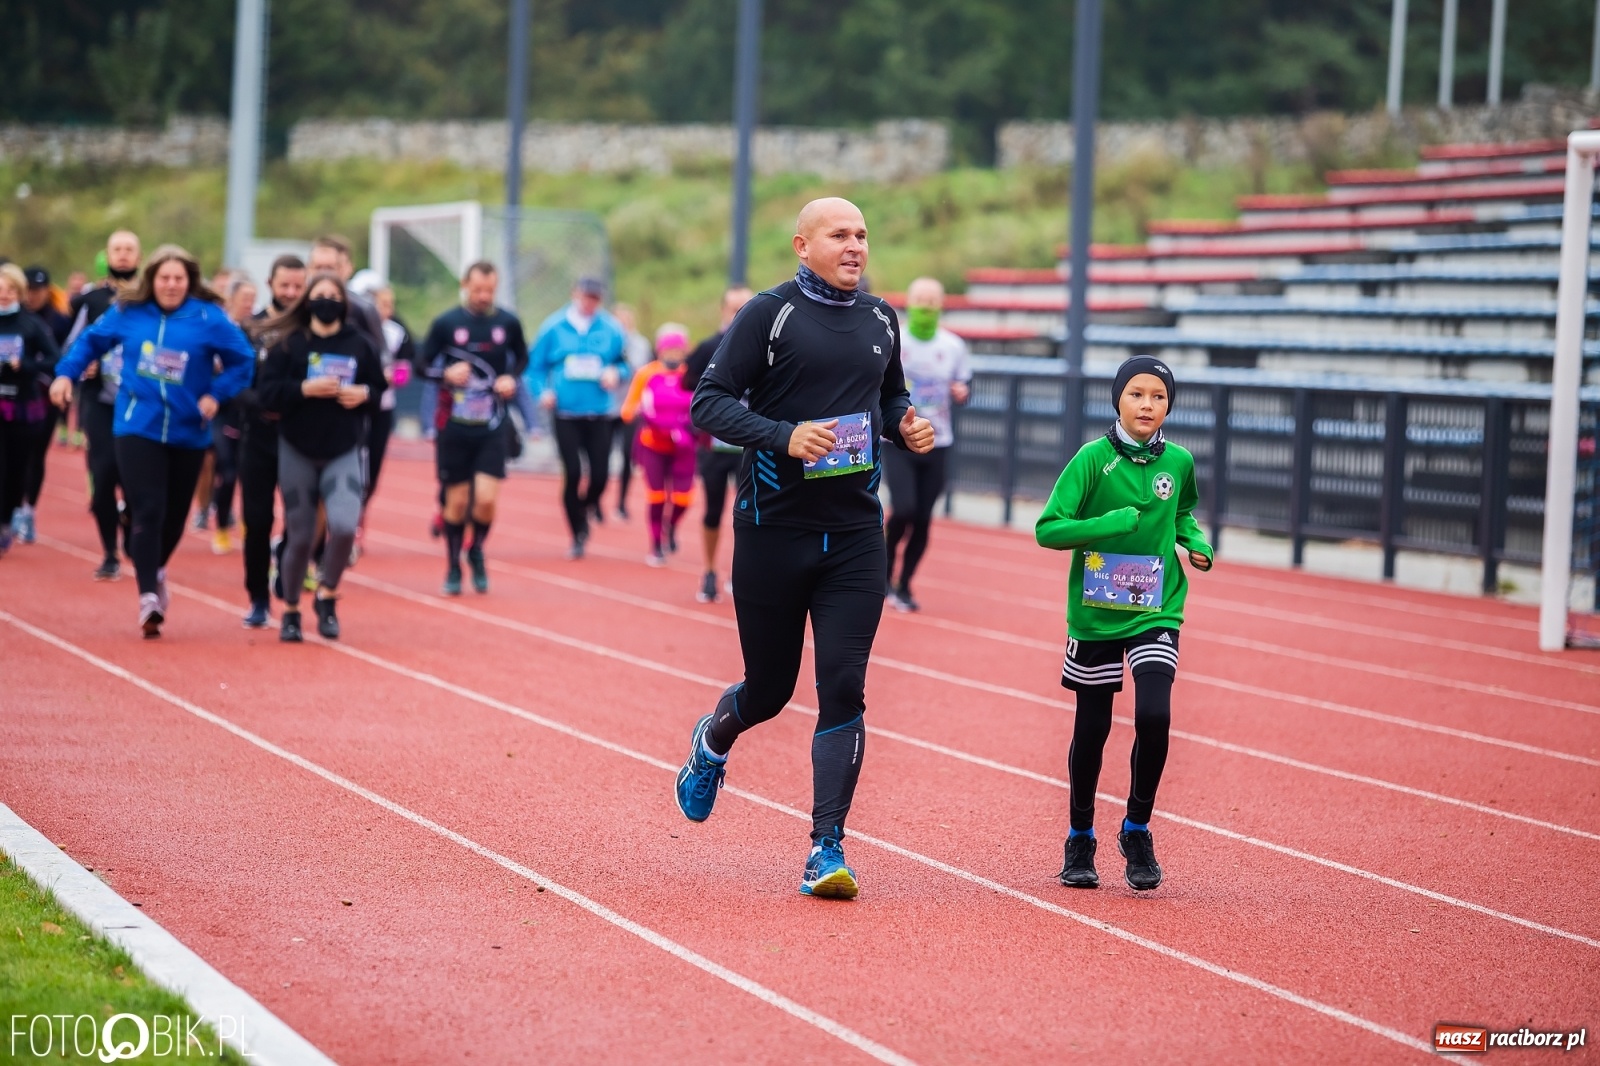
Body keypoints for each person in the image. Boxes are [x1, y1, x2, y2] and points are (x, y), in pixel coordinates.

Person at [675, 198, 935, 899]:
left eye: (862, 234)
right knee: (770, 690)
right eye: (839, 234)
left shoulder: (881, 318)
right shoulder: (769, 314)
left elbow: (889, 398)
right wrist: (783, 436)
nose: (855, 245)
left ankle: (826, 848)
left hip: (854, 536)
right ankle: (713, 740)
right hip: (773, 530)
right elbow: (708, 402)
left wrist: (904, 425)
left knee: (843, 685)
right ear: (802, 244)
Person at [1036, 355, 1213, 892]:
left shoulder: (1178, 461)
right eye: (1137, 394)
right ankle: (1080, 837)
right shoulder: (1092, 459)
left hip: (1157, 608)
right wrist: (1109, 524)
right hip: (1096, 613)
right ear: (1118, 399)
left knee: (1155, 714)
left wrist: (1196, 542)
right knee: (1092, 728)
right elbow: (1049, 529)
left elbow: (1182, 513)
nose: (1147, 405)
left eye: (1158, 397)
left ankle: (1137, 829)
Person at [50, 245, 254, 637]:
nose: (171, 285)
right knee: (148, 509)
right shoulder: (129, 312)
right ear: (152, 280)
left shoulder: (208, 317)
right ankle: (148, 597)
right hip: (136, 426)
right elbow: (90, 342)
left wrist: (216, 394)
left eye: (179, 278)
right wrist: (65, 374)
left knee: (174, 517)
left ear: (189, 281)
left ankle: (155, 569)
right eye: (164, 278)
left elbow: (243, 361)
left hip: (188, 430)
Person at [255, 273, 386, 642]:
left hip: (343, 448)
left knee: (344, 526)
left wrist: (364, 394)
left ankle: (327, 593)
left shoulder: (360, 344)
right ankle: (291, 609)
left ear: (344, 303)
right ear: (307, 301)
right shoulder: (290, 343)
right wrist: (304, 389)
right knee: (300, 536)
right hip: (297, 448)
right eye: (320, 295)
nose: (326, 301)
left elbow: (380, 390)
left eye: (333, 295)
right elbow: (267, 393)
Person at [419, 261, 527, 594]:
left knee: (485, 500)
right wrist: (446, 375)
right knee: (456, 502)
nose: (483, 296)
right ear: (465, 286)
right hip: (454, 426)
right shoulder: (446, 323)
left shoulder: (507, 323)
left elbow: (523, 358)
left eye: (489, 290)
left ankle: (476, 549)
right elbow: (421, 364)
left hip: (492, 425)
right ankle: (453, 565)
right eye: (478, 290)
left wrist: (511, 378)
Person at [884, 277, 971, 612]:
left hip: (938, 441)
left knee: (922, 518)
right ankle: (883, 574)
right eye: (920, 300)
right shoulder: (896, 341)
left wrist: (962, 392)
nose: (925, 307)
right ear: (909, 302)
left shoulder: (953, 346)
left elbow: (964, 384)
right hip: (898, 439)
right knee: (903, 508)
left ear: (941, 305)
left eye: (932, 301)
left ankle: (904, 584)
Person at [526, 277, 629, 559]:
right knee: (572, 473)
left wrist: (616, 373)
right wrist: (542, 392)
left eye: (595, 298)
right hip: (566, 413)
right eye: (586, 296)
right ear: (575, 294)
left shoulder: (611, 328)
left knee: (600, 475)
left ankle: (584, 507)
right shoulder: (554, 326)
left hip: (599, 413)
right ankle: (577, 532)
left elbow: (623, 363)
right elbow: (534, 367)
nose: (590, 302)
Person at [64, 230, 141, 580]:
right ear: (107, 257)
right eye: (117, 249)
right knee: (104, 474)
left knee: (136, 478)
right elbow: (71, 346)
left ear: (139, 257)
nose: (123, 255)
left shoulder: (149, 299)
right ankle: (110, 552)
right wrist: (85, 365)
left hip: (139, 402)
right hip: (100, 401)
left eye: (129, 249)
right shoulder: (91, 301)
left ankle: (131, 523)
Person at [237, 254, 307, 628]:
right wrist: (263, 403)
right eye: (285, 285)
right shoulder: (251, 329)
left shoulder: (312, 329)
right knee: (257, 519)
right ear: (270, 284)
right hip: (258, 437)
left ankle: (287, 565)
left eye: (298, 286)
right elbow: (236, 384)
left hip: (301, 440)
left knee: (300, 519)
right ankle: (258, 598)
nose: (291, 292)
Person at [681, 285, 753, 602]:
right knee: (713, 508)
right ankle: (709, 570)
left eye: (746, 307)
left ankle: (742, 571)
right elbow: (687, 382)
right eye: (734, 308)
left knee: (748, 511)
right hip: (714, 444)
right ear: (723, 310)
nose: (739, 314)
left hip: (750, 444)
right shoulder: (709, 346)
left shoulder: (766, 347)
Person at [619, 323, 696, 565]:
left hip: (684, 447)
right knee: (656, 496)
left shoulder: (692, 374)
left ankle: (670, 526)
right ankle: (656, 544)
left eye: (678, 349)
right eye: (669, 349)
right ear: (660, 349)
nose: (674, 354)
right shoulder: (646, 374)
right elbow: (627, 411)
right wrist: (643, 413)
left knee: (683, 498)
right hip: (653, 444)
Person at [0, 264, 61, 557]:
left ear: (19, 292)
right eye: (0, 289)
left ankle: (8, 517)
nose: (4, 294)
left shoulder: (31, 324)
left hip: (22, 406)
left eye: (10, 289)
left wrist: (24, 365)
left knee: (17, 469)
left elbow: (53, 358)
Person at [13, 267, 73, 544]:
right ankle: (12, 506)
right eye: (29, 290)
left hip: (47, 398)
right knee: (14, 456)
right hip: (14, 398)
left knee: (36, 455)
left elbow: (63, 356)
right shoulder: (13, 319)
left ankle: (28, 510)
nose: (33, 295)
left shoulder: (59, 321)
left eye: (38, 290)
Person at [204, 274, 257, 555]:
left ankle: (250, 522)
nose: (249, 304)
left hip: (249, 413)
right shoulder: (220, 329)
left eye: (253, 299)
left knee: (251, 474)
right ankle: (222, 526)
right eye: (245, 298)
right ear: (231, 299)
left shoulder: (257, 330)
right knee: (227, 470)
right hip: (223, 411)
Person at [609, 302, 653, 520]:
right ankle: (595, 503)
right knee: (601, 456)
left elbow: (643, 372)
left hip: (631, 408)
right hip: (607, 408)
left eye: (625, 321)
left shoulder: (640, 344)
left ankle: (621, 503)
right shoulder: (605, 342)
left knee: (627, 455)